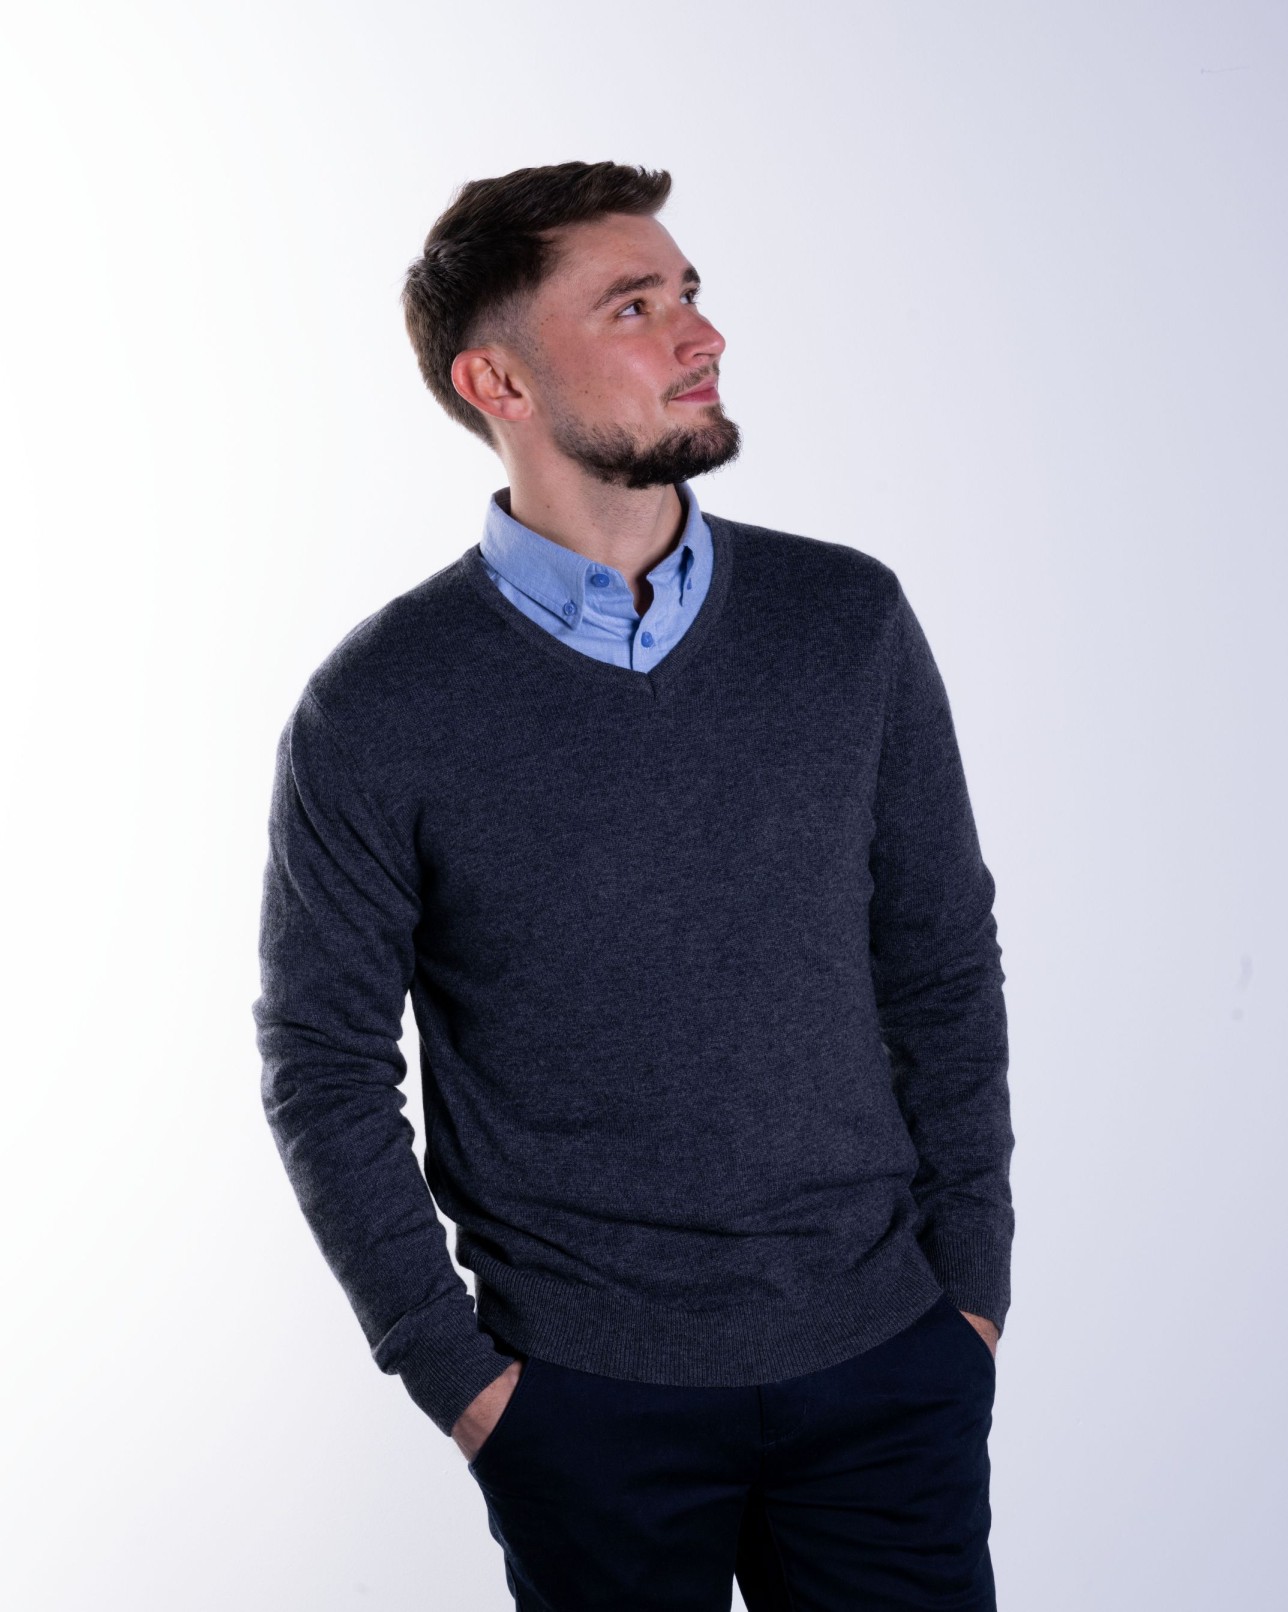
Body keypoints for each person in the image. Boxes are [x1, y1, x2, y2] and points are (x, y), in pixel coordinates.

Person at [253, 159, 1015, 1611]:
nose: (699, 334)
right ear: (499, 381)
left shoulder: (846, 619)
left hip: (888, 1370)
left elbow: (941, 959)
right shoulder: (380, 705)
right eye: (633, 306)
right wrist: (464, 1382)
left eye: (689, 294)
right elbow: (323, 1064)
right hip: (585, 1408)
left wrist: (968, 1289)